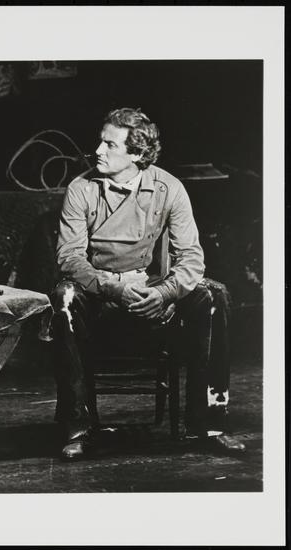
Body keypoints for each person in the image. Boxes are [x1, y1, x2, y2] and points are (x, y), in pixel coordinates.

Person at [51, 108, 246, 460]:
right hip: (99, 291)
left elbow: (191, 258)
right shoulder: (81, 189)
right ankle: (78, 428)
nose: (98, 150)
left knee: (213, 296)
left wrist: (163, 292)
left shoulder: (169, 188)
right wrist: (113, 288)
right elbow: (69, 258)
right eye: (101, 141)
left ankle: (210, 425)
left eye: (110, 144)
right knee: (64, 297)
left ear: (137, 153)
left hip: (151, 289)